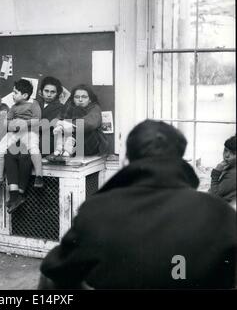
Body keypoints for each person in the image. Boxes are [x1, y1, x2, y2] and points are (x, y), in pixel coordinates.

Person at [39, 120, 237, 289]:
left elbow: (58, 271)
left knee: (50, 273)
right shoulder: (220, 212)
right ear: (180, 158)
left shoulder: (96, 210)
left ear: (129, 159)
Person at [4, 76, 67, 213]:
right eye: (46, 91)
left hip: (47, 140)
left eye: (52, 92)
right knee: (9, 153)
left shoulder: (61, 107)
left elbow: (48, 125)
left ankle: (21, 193)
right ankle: (14, 194)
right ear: (41, 92)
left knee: (25, 154)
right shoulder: (33, 103)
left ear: (57, 94)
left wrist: (24, 124)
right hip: (26, 136)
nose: (49, 94)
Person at [0, 79, 43, 193]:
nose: (13, 95)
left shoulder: (34, 104)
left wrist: (24, 123)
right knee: (0, 149)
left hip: (29, 132)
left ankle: (39, 176)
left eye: (15, 93)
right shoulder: (13, 107)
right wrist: (13, 125)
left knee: (33, 148)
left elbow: (37, 120)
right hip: (15, 132)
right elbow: (7, 122)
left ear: (25, 95)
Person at [46, 84, 108, 161]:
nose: (80, 100)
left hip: (91, 145)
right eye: (77, 97)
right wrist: (59, 124)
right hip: (73, 144)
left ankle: (66, 150)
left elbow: (91, 123)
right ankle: (62, 151)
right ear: (73, 99)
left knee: (78, 114)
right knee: (61, 124)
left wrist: (69, 126)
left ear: (90, 99)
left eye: (84, 97)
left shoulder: (95, 107)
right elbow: (57, 120)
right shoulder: (69, 106)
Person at [209, 135, 236, 205]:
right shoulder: (230, 166)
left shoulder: (233, 174)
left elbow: (214, 196)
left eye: (233, 153)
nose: (226, 155)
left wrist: (215, 174)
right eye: (225, 150)